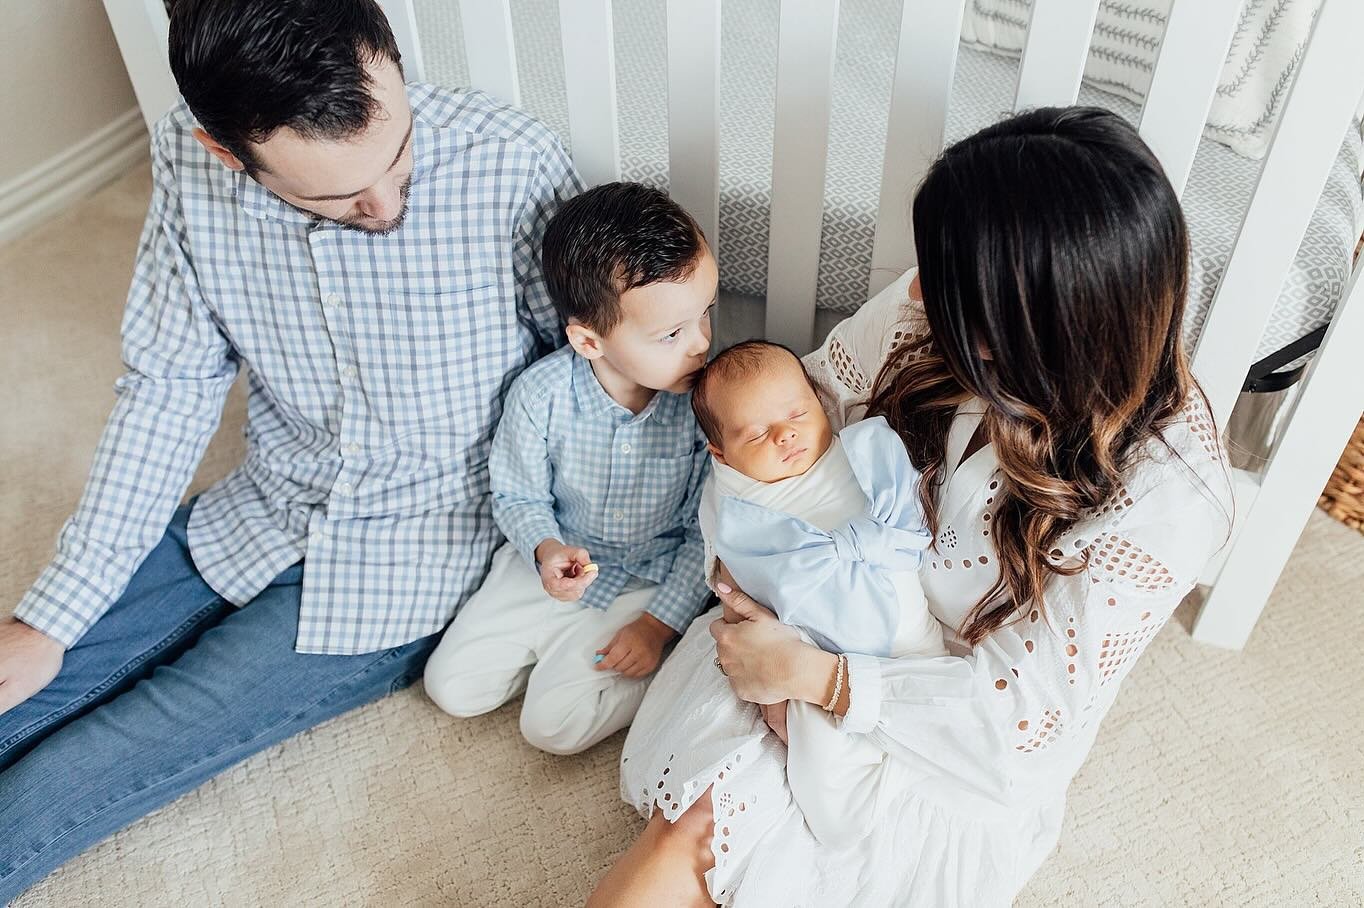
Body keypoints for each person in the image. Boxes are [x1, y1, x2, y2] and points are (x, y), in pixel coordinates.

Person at [0, 0, 579, 899]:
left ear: (388, 57)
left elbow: (575, 380)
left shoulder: (512, 159)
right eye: (338, 196)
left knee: (82, 772)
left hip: (414, 563)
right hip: (260, 506)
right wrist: (52, 616)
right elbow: (168, 388)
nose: (386, 205)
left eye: (398, 153)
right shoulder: (191, 169)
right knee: (25, 673)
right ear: (227, 153)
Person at [590, 106, 1233, 907]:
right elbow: (796, 406)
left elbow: (1022, 728)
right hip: (816, 618)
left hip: (943, 735)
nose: (920, 288)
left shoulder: (1165, 497)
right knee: (695, 831)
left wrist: (826, 683)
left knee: (777, 848)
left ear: (1038, 322)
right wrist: (761, 570)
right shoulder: (934, 302)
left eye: (946, 281)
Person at [423, 183, 716, 755]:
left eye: (706, 314)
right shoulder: (542, 394)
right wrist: (546, 550)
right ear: (589, 340)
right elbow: (516, 494)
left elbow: (703, 533)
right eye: (672, 334)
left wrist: (659, 627)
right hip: (557, 560)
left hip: (646, 578)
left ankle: (662, 662)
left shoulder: (706, 406)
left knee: (553, 728)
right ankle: (553, 645)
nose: (701, 344)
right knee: (452, 687)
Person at [635, 339, 947, 849]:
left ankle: (912, 794)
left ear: (819, 403)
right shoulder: (737, 505)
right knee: (833, 801)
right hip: (810, 653)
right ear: (722, 454)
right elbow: (735, 592)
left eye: (798, 412)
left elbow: (914, 519)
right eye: (756, 433)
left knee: (942, 727)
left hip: (910, 635)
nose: (785, 434)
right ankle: (864, 814)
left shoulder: (862, 451)